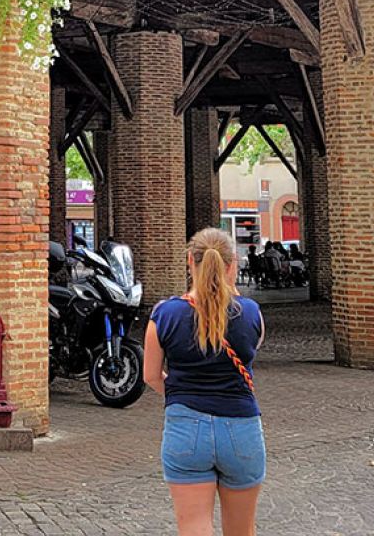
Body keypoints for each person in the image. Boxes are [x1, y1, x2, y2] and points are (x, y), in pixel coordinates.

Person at [143, 227, 266, 536]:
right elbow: (251, 353)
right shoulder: (251, 313)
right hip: (241, 428)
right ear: (232, 264)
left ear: (190, 261)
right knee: (242, 530)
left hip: (186, 428)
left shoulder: (165, 314)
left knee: (194, 528)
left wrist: (181, 393)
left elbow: (151, 376)